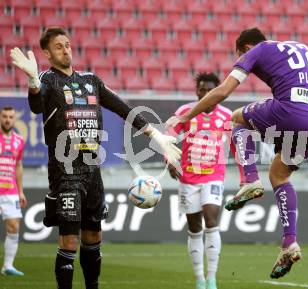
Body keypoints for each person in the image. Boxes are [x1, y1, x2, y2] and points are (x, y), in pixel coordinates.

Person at [167, 27, 308, 279]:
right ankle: (289, 242)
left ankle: (250, 179)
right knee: (279, 175)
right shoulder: (304, 48)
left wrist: (185, 116)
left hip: (290, 109)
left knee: (234, 121)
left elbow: (222, 92)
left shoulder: (258, 50)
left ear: (245, 48)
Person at [10, 27, 180, 289]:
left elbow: (123, 108)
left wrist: (156, 136)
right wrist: (33, 81)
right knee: (69, 240)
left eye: (67, 44)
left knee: (93, 236)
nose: (66, 49)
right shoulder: (47, 80)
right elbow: (36, 107)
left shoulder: (91, 80)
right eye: (58, 46)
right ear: (47, 53)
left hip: (93, 170)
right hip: (65, 172)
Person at [168, 73, 232, 289]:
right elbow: (168, 135)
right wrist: (169, 158)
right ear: (197, 91)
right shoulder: (185, 112)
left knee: (211, 220)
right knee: (194, 228)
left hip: (214, 175)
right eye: (202, 90)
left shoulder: (227, 116)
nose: (205, 94)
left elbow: (238, 145)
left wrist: (246, 177)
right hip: (188, 177)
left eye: (210, 90)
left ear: (218, 93)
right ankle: (200, 279)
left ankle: (212, 279)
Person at [0, 106, 26, 276]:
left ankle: (7, 266)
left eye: (10, 116)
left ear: (14, 119)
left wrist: (21, 191)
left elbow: (18, 166)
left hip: (10, 191)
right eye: (4, 116)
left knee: (14, 226)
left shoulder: (19, 141)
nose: (7, 119)